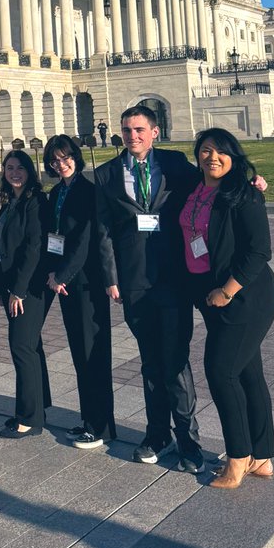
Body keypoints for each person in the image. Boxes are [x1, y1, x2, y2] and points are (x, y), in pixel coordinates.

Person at [95, 105, 205, 471]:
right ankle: (158, 433)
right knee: (150, 362)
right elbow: (105, 231)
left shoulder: (174, 165)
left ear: (154, 132)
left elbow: (211, 184)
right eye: (127, 130)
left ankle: (189, 440)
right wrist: (111, 278)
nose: (133, 137)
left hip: (173, 278)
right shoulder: (107, 174)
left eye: (139, 130)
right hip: (135, 281)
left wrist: (251, 181)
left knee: (175, 361)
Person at [179, 128, 274, 489]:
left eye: (221, 151)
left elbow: (259, 252)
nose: (212, 157)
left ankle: (238, 457)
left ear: (234, 156)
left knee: (221, 372)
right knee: (249, 373)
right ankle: (263, 456)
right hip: (210, 298)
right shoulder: (194, 186)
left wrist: (226, 290)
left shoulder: (243, 194)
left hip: (245, 299)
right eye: (205, 151)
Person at [44, 134, 118, 449]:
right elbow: (54, 236)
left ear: (76, 156)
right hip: (65, 284)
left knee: (93, 354)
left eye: (66, 157)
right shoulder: (57, 192)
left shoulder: (89, 192)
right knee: (79, 353)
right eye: (55, 160)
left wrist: (60, 274)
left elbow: (86, 241)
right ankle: (89, 419)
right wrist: (53, 273)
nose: (61, 164)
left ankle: (101, 426)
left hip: (85, 282)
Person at [0, 150, 50, 439]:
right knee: (31, 346)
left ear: (30, 171)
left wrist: (18, 291)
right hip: (14, 286)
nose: (14, 173)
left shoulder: (35, 201)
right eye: (9, 168)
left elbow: (34, 249)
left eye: (20, 168)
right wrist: (1, 288)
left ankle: (29, 419)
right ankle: (38, 407)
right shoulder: (11, 201)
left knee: (21, 347)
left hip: (29, 288)